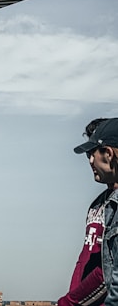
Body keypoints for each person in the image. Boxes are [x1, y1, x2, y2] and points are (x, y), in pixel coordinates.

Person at [65, 117, 118, 306]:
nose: (90, 161)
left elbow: (108, 272)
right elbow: (85, 258)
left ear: (108, 153)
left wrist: (70, 301)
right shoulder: (98, 204)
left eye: (92, 152)